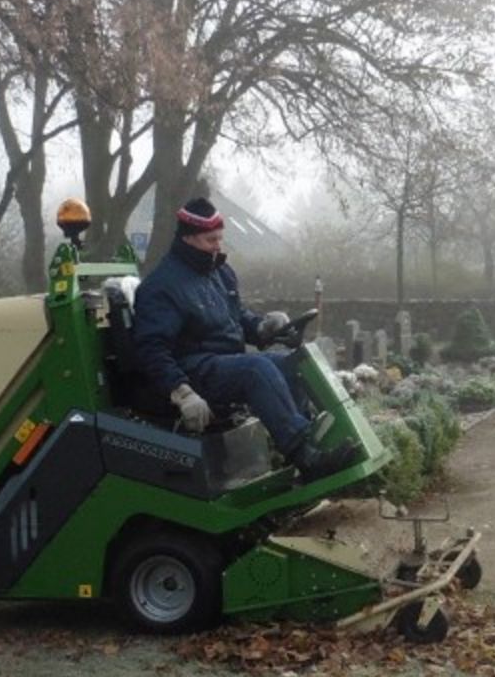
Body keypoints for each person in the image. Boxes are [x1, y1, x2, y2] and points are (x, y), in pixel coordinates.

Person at [130, 197, 361, 480]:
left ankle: (312, 440)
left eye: (220, 238)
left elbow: (236, 314)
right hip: (192, 368)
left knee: (291, 364)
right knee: (256, 370)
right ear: (188, 238)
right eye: (210, 240)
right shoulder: (161, 286)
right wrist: (182, 392)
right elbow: (151, 348)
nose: (218, 246)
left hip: (223, 361)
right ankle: (307, 458)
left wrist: (263, 327)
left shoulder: (218, 272)